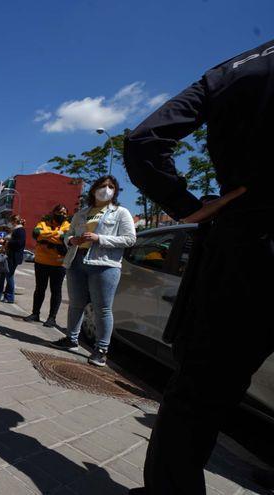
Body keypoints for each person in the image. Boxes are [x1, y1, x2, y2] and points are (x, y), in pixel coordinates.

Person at [123, 39, 273, 495]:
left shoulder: (245, 69)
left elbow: (144, 142)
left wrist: (188, 207)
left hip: (249, 246)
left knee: (199, 395)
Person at [51, 176, 136, 367]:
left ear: (116, 191)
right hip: (77, 260)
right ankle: (71, 339)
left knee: (102, 309)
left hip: (104, 264)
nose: (106, 189)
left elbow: (130, 239)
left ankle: (101, 350)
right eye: (102, 186)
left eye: (111, 186)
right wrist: (71, 240)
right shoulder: (82, 213)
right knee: (76, 304)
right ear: (94, 189)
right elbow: (68, 234)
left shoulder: (121, 213)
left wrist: (100, 238)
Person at [24, 205, 70, 327]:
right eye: (60, 212)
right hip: (41, 262)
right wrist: (56, 234)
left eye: (65, 213)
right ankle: (35, 314)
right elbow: (35, 234)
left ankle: (52, 318)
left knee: (56, 291)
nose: (63, 215)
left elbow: (64, 238)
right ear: (54, 212)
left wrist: (45, 238)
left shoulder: (68, 226)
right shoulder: (43, 223)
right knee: (39, 289)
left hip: (58, 264)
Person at [0, 215, 26, 304]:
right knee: (2, 275)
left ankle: (9, 297)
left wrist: (5, 242)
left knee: (9, 276)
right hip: (7, 255)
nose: (9, 223)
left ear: (14, 221)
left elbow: (19, 244)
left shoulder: (20, 230)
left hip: (13, 257)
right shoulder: (15, 230)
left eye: (10, 222)